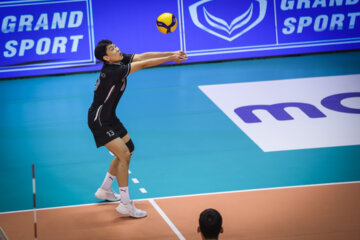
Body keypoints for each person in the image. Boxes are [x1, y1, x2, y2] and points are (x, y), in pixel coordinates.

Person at [88, 40, 188, 218]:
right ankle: (125, 204)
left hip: (110, 117)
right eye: (112, 49)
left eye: (115, 46)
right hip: (99, 121)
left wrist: (171, 52)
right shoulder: (113, 72)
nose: (117, 49)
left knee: (129, 149)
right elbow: (144, 64)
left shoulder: (118, 61)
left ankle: (105, 189)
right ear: (106, 58)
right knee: (124, 154)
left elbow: (142, 56)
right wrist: (171, 58)